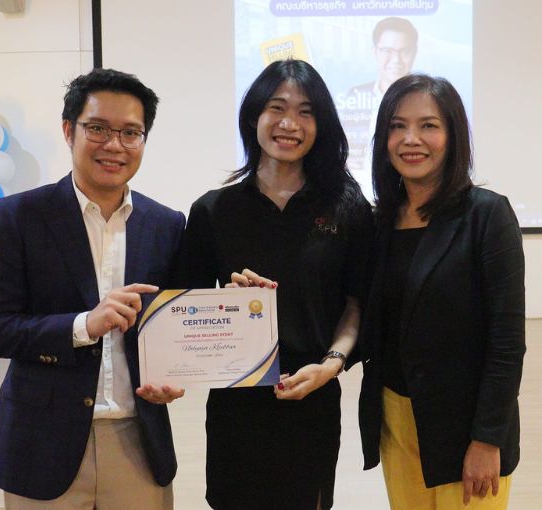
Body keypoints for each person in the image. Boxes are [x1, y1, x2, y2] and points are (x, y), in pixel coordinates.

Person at [0, 68, 185, 509]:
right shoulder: (17, 217)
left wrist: (174, 375)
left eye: (130, 133)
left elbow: (174, 325)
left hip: (138, 442)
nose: (114, 145)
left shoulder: (166, 224)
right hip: (41, 442)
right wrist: (83, 325)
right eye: (98, 128)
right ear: (69, 130)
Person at [178, 59, 374, 510]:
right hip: (236, 405)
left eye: (306, 112)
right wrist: (224, 304)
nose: (290, 123)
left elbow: (357, 302)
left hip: (312, 394)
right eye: (277, 108)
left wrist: (331, 365)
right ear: (254, 116)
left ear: (321, 126)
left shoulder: (346, 207)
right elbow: (186, 313)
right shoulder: (213, 211)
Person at [358, 73, 525, 510]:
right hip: (396, 419)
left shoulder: (487, 215)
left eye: (428, 125)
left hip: (466, 425)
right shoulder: (379, 222)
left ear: (453, 136)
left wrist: (487, 439)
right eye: (397, 126)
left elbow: (507, 341)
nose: (411, 139)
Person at [341, 17, 419, 183]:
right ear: (375, 52)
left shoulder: (426, 102)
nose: (396, 59)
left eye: (404, 51)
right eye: (387, 51)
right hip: (357, 190)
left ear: (414, 52)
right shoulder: (355, 97)